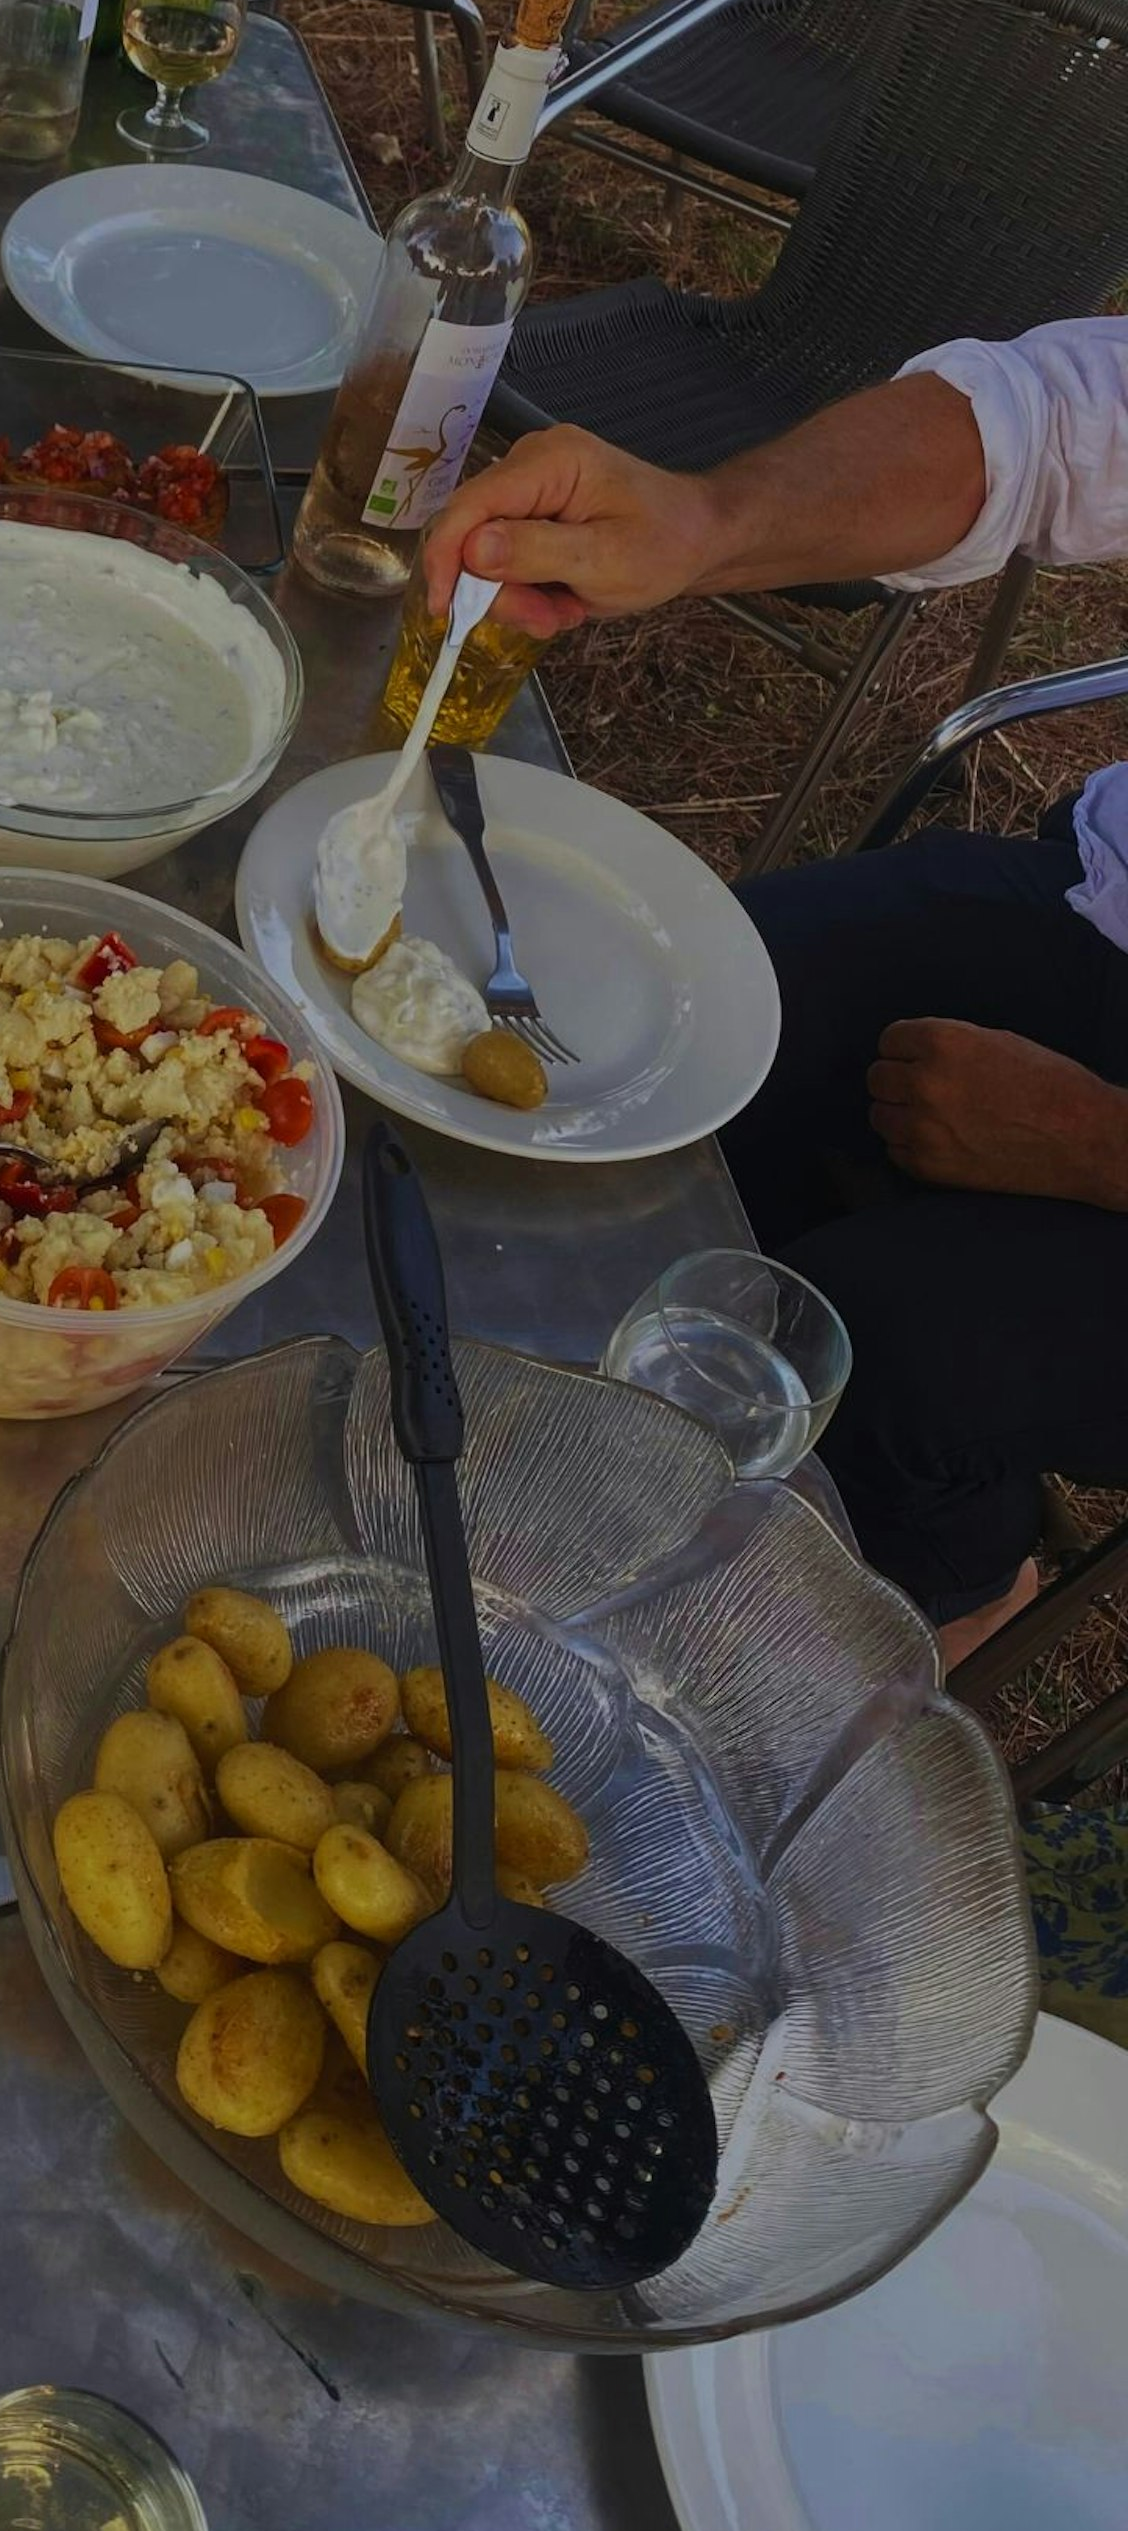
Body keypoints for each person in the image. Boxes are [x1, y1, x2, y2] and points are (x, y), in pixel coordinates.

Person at [424, 319, 1128, 1667]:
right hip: (1107, 913)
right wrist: (709, 519)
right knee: (672, 1051)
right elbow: (1049, 420)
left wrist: (1096, 1144)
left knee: (879, 1355)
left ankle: (950, 1576)